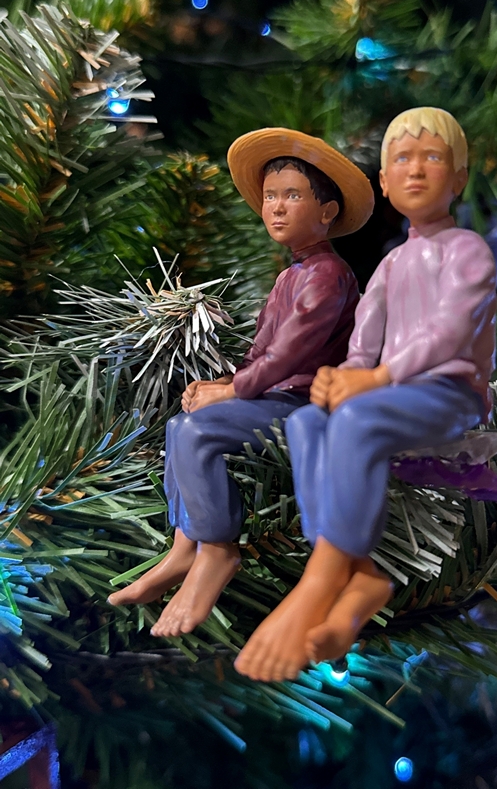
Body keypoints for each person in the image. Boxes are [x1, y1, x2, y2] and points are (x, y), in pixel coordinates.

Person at [234, 107, 497, 683]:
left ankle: (319, 581)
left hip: (449, 394)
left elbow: (450, 331)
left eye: (432, 158)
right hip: (391, 392)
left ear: (458, 177)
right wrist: (343, 377)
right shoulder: (390, 265)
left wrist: (374, 380)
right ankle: (359, 579)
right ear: (383, 182)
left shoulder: (468, 251)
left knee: (358, 422)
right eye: (402, 159)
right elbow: (363, 343)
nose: (416, 170)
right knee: (307, 423)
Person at [107, 128, 374, 637]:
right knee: (181, 424)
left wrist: (231, 391)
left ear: (327, 211)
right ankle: (184, 545)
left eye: (292, 195)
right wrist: (223, 382)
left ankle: (217, 549)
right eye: (270, 197)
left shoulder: (327, 275)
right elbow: (261, 352)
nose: (277, 207)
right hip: (272, 397)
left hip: (305, 408)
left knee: (197, 433)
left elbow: (290, 353)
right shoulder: (289, 276)